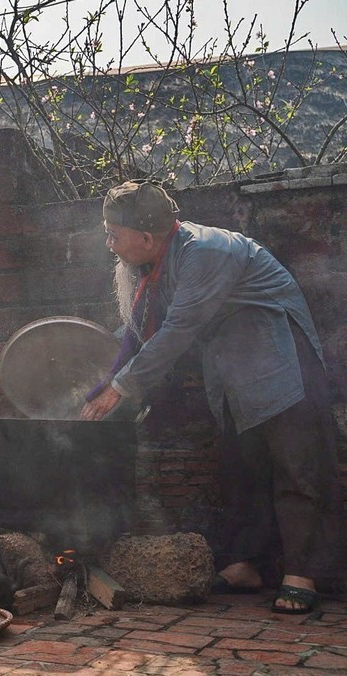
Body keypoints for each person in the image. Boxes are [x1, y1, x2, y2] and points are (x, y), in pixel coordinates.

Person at [81, 180, 346, 614]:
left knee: (297, 465)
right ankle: (245, 565)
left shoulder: (206, 252)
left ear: (146, 237)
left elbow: (177, 332)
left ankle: (302, 573)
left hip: (279, 356)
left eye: (113, 234)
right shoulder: (154, 265)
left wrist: (121, 388)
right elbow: (137, 332)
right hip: (232, 369)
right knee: (242, 467)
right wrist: (103, 380)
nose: (109, 244)